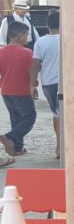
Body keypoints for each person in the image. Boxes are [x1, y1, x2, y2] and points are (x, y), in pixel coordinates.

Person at [0, 21, 37, 158]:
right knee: (29, 117)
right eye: (26, 35)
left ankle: (16, 148)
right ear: (21, 36)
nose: (27, 39)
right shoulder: (27, 53)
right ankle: (10, 137)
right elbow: (31, 72)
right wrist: (33, 85)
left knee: (16, 118)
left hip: (6, 91)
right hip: (21, 91)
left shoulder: (1, 52)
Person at [31, 11, 61, 158]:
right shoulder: (70, 39)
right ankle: (61, 146)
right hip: (68, 82)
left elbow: (35, 64)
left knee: (57, 114)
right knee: (63, 114)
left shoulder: (40, 42)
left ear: (48, 25)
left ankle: (59, 146)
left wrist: (33, 84)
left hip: (48, 84)